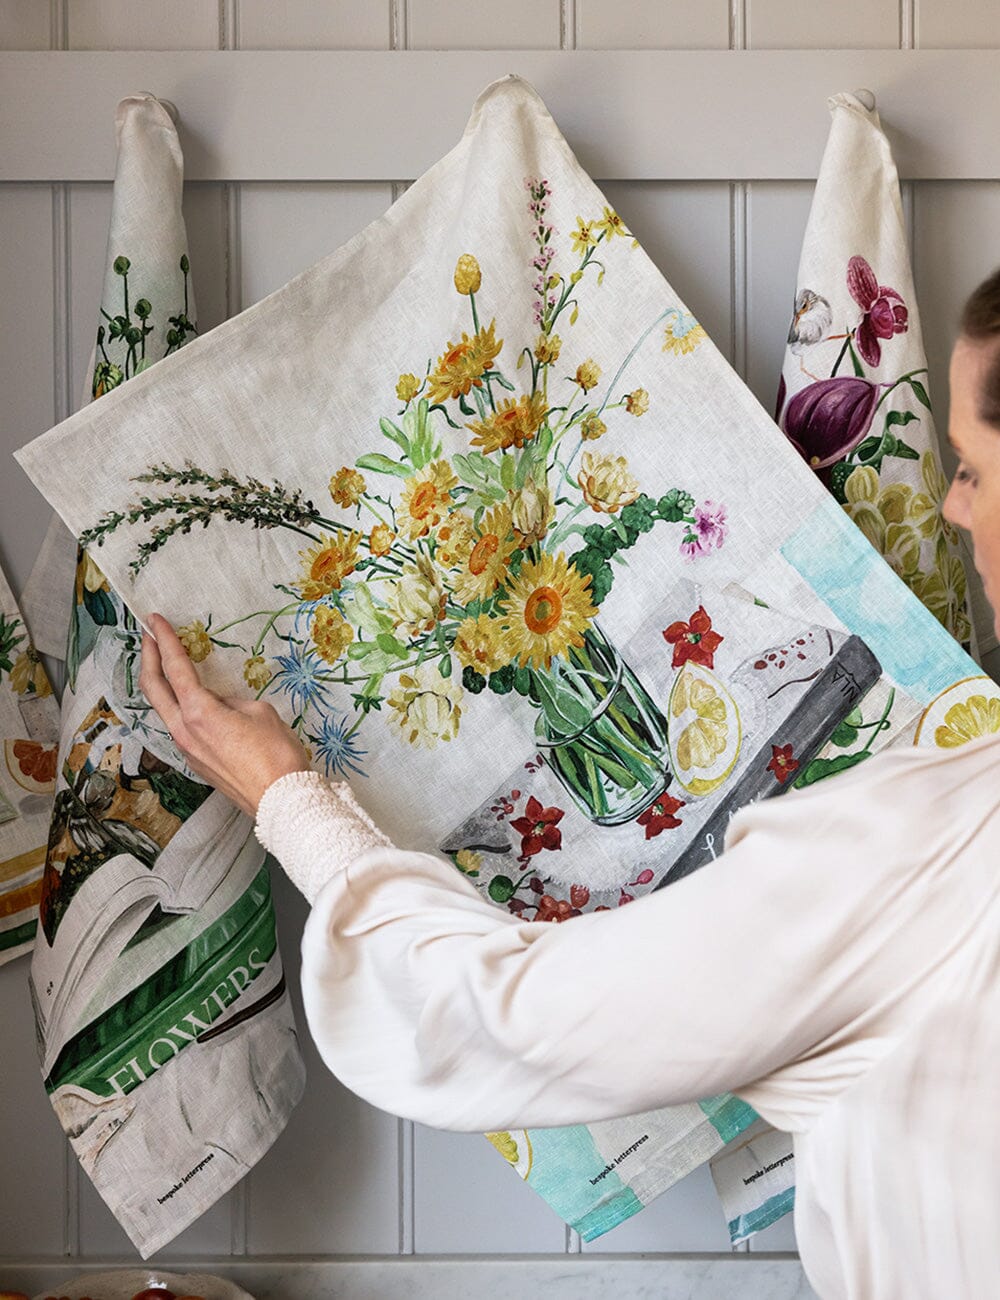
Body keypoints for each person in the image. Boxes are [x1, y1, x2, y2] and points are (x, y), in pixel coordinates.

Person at [138, 271, 1000, 1300]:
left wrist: (289, 796)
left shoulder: (935, 838)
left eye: (973, 470)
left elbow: (506, 1015)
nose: (949, 505)